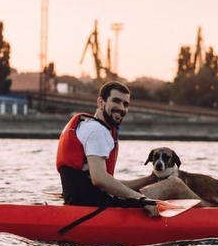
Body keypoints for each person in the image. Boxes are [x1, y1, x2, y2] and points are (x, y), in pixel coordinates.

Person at [55, 81, 156, 211]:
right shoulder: (97, 131)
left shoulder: (86, 125)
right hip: (95, 206)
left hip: (81, 201)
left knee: (161, 188)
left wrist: (150, 178)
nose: (121, 108)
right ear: (101, 102)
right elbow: (100, 179)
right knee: (175, 186)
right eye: (116, 101)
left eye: (125, 104)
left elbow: (108, 182)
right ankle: (188, 220)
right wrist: (141, 199)